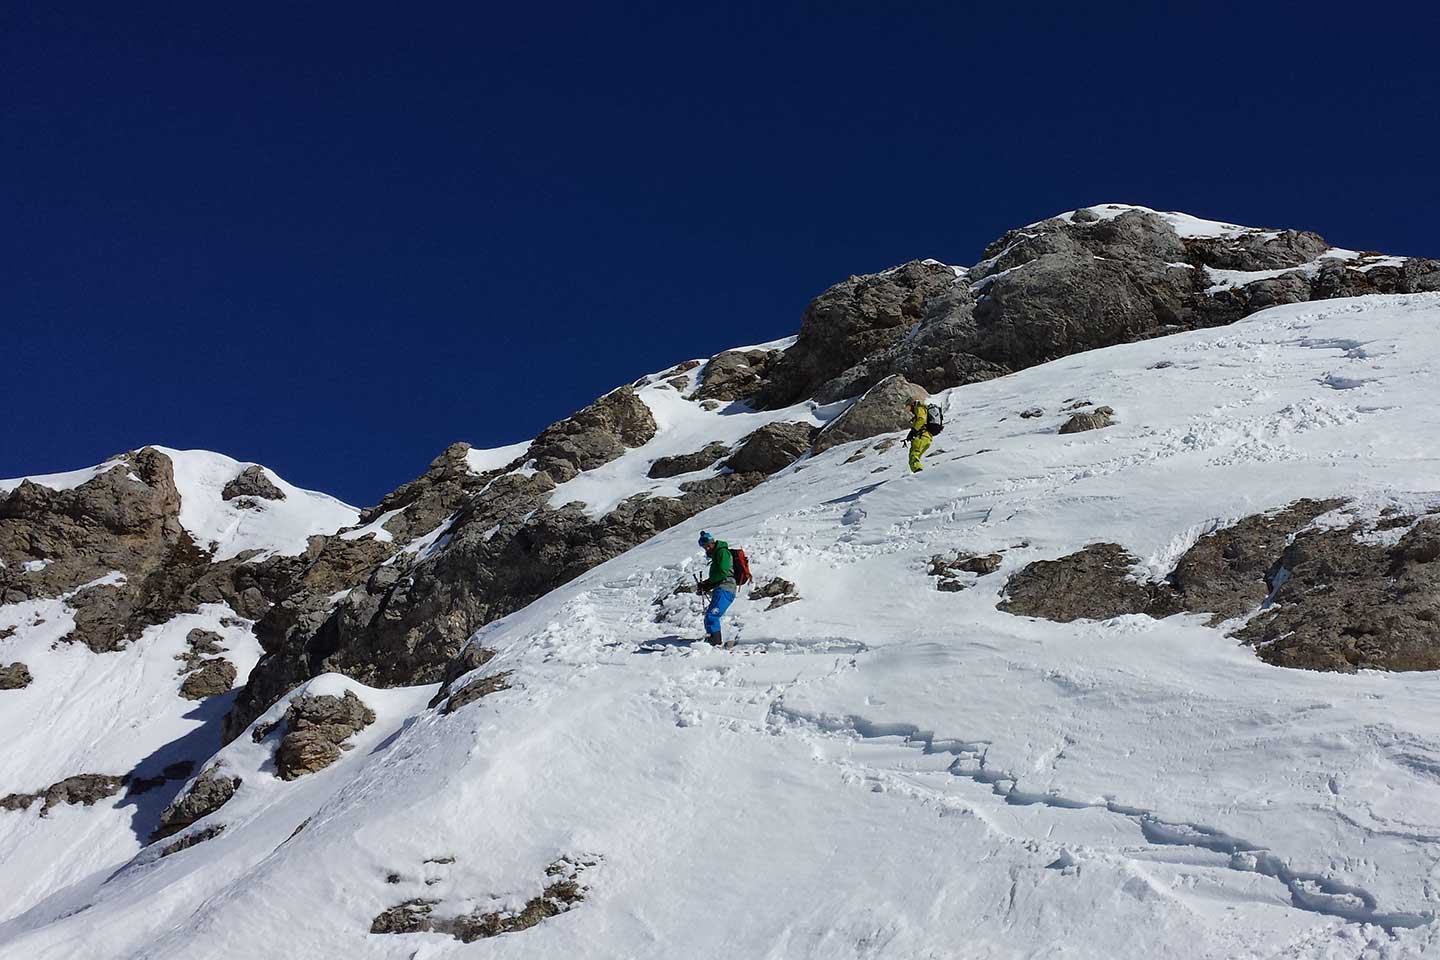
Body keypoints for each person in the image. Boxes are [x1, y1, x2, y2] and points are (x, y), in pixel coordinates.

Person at [696, 530, 736, 647]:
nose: (706, 548)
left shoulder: (722, 552)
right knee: (710, 615)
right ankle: (712, 639)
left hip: (726, 588)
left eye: (708, 545)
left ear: (712, 542)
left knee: (712, 616)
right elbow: (719, 574)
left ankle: (715, 643)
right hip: (721, 588)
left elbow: (723, 572)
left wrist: (709, 583)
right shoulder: (717, 554)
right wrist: (707, 584)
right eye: (704, 546)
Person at [904, 398, 932, 472]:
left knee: (913, 456)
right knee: (915, 457)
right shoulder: (921, 409)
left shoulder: (919, 408)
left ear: (912, 404)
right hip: (926, 437)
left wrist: (913, 431)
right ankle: (919, 474)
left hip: (921, 436)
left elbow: (921, 419)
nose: (909, 410)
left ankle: (919, 475)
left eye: (908, 407)